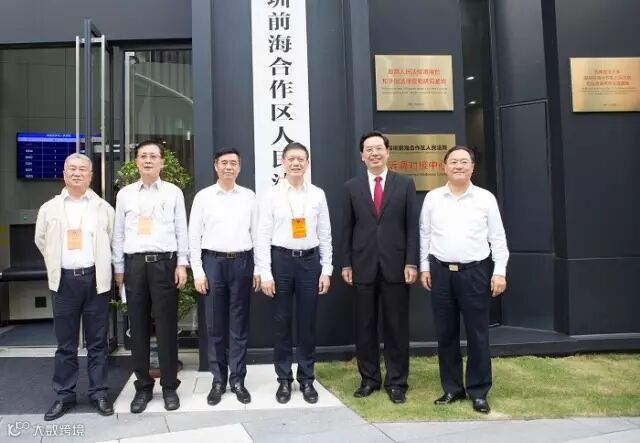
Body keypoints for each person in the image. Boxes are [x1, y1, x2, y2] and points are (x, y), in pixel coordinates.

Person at [419, 145, 509, 414]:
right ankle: (452, 388)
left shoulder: (485, 198)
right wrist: (424, 268)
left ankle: (479, 391)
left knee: (478, 334)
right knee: (445, 334)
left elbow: (498, 238)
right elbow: (425, 235)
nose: (458, 166)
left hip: (475, 273)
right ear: (444, 167)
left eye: (464, 162)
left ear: (472, 167)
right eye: (453, 162)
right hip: (440, 272)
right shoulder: (433, 198)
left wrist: (500, 271)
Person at [34, 153, 115, 421]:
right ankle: (64, 395)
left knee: (97, 342)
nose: (77, 173)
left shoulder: (103, 208)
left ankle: (99, 393)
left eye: (82, 169)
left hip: (95, 280)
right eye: (72, 169)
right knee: (65, 344)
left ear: (91, 175)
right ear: (64, 174)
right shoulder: (49, 208)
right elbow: (41, 240)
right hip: (64, 281)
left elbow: (111, 239)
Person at [341, 130, 418, 404]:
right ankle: (369, 379)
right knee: (364, 326)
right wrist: (346, 262)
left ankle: (396, 382)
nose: (374, 153)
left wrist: (411, 261)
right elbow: (347, 228)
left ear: (388, 152)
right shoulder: (351, 187)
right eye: (369, 149)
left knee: (396, 326)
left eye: (378, 148)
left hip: (396, 266)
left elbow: (412, 226)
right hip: (362, 265)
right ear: (362, 156)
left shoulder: (404, 184)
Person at [112, 140, 188, 413]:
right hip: (134, 266)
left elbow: (181, 230)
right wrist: (118, 268)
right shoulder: (125, 195)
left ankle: (169, 386)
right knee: (139, 328)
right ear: (136, 162)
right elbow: (118, 233)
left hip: (164, 264)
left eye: (153, 156)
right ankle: (143, 387)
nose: (148, 160)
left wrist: (182, 264)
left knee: (166, 327)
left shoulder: (173, 192)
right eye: (143, 156)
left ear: (162, 162)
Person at [256, 142, 333, 404]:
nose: (296, 163)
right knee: (281, 323)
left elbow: (325, 234)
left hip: (310, 262)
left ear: (307, 163)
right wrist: (265, 273)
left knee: (307, 323)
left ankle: (307, 378)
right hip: (281, 261)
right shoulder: (271, 195)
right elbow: (263, 235)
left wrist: (326, 270)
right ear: (283, 162)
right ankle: (284, 379)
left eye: (301, 159)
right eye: (291, 159)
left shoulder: (318, 194)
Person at [188, 148, 261, 406]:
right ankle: (218, 380)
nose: (229, 167)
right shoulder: (204, 197)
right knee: (215, 325)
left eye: (233, 163)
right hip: (213, 263)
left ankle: (237, 379)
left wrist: (258, 269)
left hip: (242, 262)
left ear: (239, 167)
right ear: (216, 166)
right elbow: (193, 236)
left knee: (239, 325)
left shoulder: (249, 197)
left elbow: (258, 234)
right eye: (224, 163)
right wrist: (198, 271)